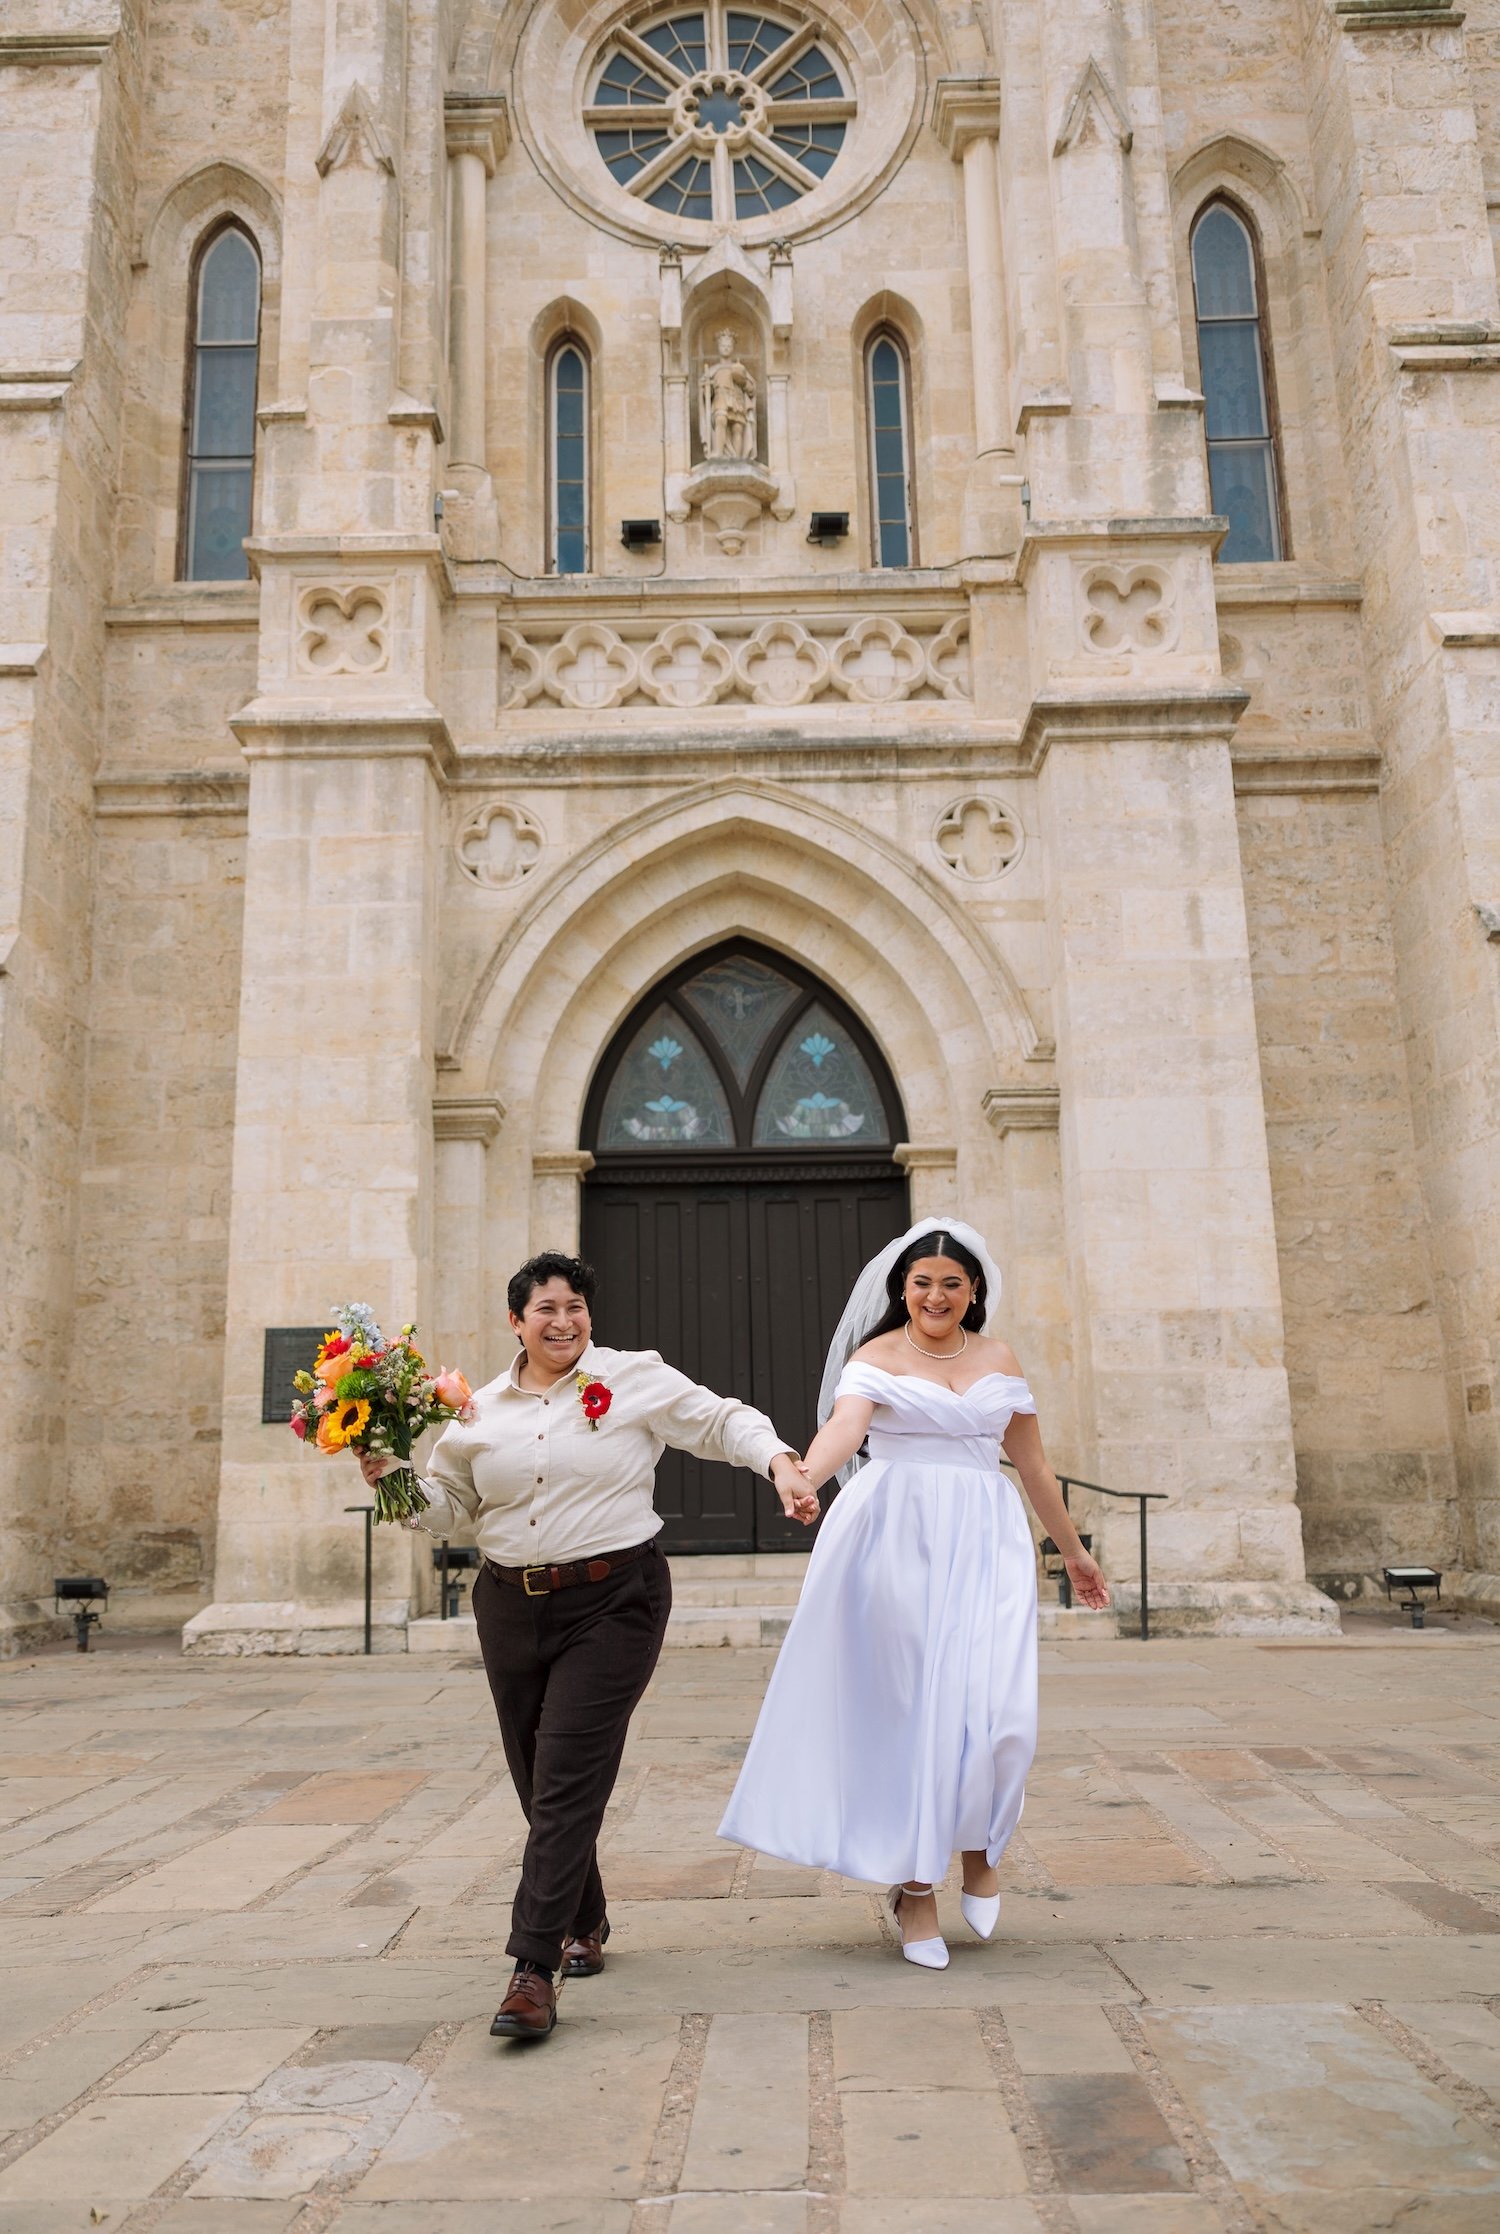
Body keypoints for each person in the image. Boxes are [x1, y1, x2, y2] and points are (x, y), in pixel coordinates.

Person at [359, 1251, 813, 2039]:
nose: (563, 1321)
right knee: (538, 1778)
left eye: (574, 1307)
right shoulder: (479, 1412)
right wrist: (391, 1480)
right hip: (509, 1604)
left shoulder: (632, 1378)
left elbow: (719, 1419)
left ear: (588, 1316)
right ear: (516, 1322)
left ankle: (532, 1969)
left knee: (568, 1773)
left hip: (614, 1600)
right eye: (546, 1310)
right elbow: (455, 1510)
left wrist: (777, 1460)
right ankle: (586, 1918)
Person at [718, 1218, 1108, 1969]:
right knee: (917, 1714)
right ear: (904, 1288)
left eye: (951, 1284)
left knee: (999, 1714)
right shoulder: (878, 1355)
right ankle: (916, 1888)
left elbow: (1033, 1469)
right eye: (923, 1282)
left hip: (986, 1542)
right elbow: (843, 1432)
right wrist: (801, 1477)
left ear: (973, 1292)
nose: (936, 1295)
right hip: (895, 1540)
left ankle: (980, 1848)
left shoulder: (1000, 1358)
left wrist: (1075, 1553)